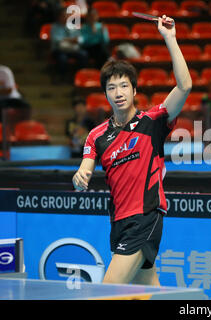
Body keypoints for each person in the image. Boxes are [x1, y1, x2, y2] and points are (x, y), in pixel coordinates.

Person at [72, 15, 192, 285]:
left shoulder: (153, 122)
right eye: (111, 87)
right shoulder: (97, 135)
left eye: (124, 85)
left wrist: (170, 38)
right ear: (105, 94)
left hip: (145, 218)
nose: (118, 92)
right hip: (118, 223)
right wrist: (80, 177)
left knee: (108, 291)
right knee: (149, 291)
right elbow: (85, 169)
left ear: (134, 90)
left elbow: (185, 86)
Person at [50, 8, 88, 82]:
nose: (65, 17)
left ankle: (79, 77)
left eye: (67, 15)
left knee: (84, 54)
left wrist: (76, 40)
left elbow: (80, 39)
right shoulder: (54, 27)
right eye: (63, 15)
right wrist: (70, 40)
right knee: (62, 59)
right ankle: (62, 77)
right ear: (59, 17)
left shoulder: (73, 26)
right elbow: (56, 40)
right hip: (59, 50)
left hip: (72, 49)